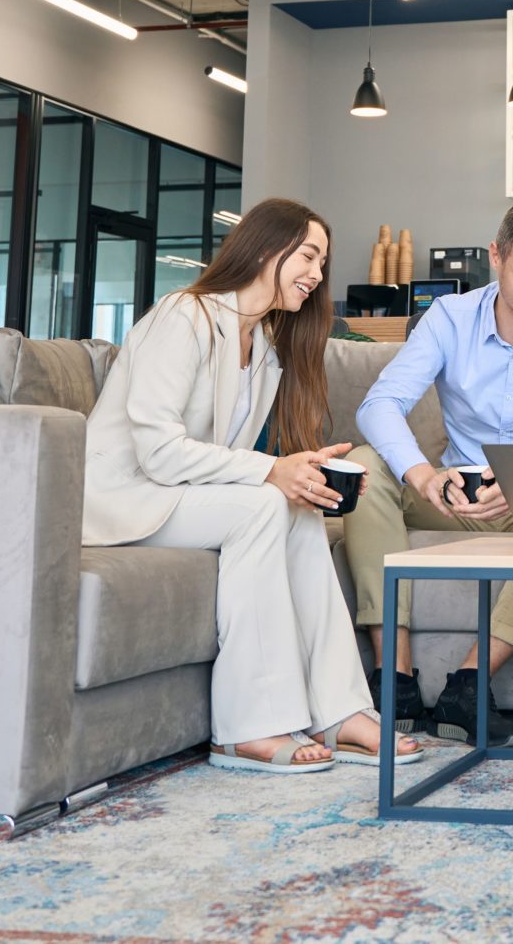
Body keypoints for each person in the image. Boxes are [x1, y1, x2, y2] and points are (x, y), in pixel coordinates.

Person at [81, 198, 421, 775]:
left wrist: (297, 467)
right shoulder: (182, 316)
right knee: (266, 502)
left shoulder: (261, 346)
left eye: (321, 262)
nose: (317, 275)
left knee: (299, 508)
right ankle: (247, 727)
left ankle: (339, 711)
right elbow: (159, 450)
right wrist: (271, 472)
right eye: (308, 256)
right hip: (124, 498)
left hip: (177, 494)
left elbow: (227, 456)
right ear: (265, 249)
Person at [346, 198, 513, 748]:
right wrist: (422, 476)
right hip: (450, 496)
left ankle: (468, 687)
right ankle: (393, 683)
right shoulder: (449, 318)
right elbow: (379, 406)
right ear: (496, 257)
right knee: (363, 465)